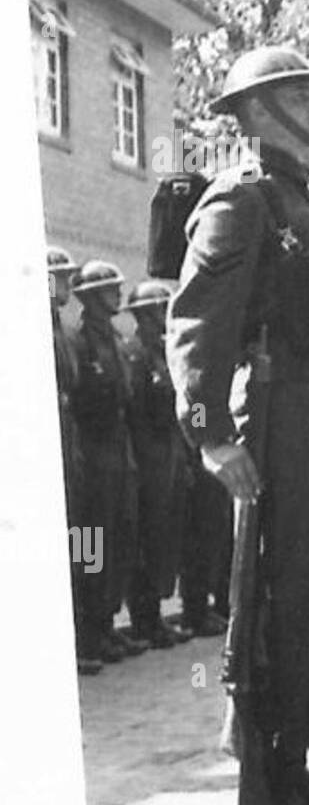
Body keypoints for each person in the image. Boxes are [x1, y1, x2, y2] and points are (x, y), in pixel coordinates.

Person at [165, 45, 309, 805]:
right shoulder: (242, 202)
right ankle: (258, 792)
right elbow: (197, 325)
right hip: (277, 411)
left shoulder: (305, 200)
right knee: (271, 600)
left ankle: (292, 759)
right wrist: (211, 434)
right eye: (293, 96)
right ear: (252, 114)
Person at [69, 260, 147, 666]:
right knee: (89, 545)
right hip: (93, 454)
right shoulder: (80, 342)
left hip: (118, 452)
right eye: (108, 290)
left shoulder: (113, 340)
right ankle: (85, 632)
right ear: (90, 297)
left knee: (117, 538)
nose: (116, 296)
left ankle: (105, 625)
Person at [123, 280, 193, 649]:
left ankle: (153, 617)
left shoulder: (162, 352)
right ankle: (107, 625)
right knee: (102, 545)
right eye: (157, 311)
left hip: (165, 456)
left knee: (162, 537)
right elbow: (132, 412)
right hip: (139, 459)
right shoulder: (133, 353)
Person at [49, 247, 96, 674]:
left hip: (77, 447)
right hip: (59, 447)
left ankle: (91, 627)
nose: (67, 285)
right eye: (61, 277)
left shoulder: (61, 331)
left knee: (87, 540)